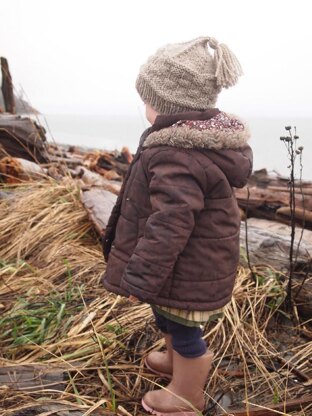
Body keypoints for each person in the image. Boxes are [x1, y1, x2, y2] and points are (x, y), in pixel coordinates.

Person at [102, 36, 253, 415]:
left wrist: (141, 276)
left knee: (184, 327)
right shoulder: (178, 144)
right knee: (166, 313)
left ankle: (187, 392)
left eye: (148, 100)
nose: (144, 107)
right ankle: (175, 361)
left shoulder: (178, 155)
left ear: (170, 106)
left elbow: (170, 224)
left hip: (188, 268)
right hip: (183, 268)